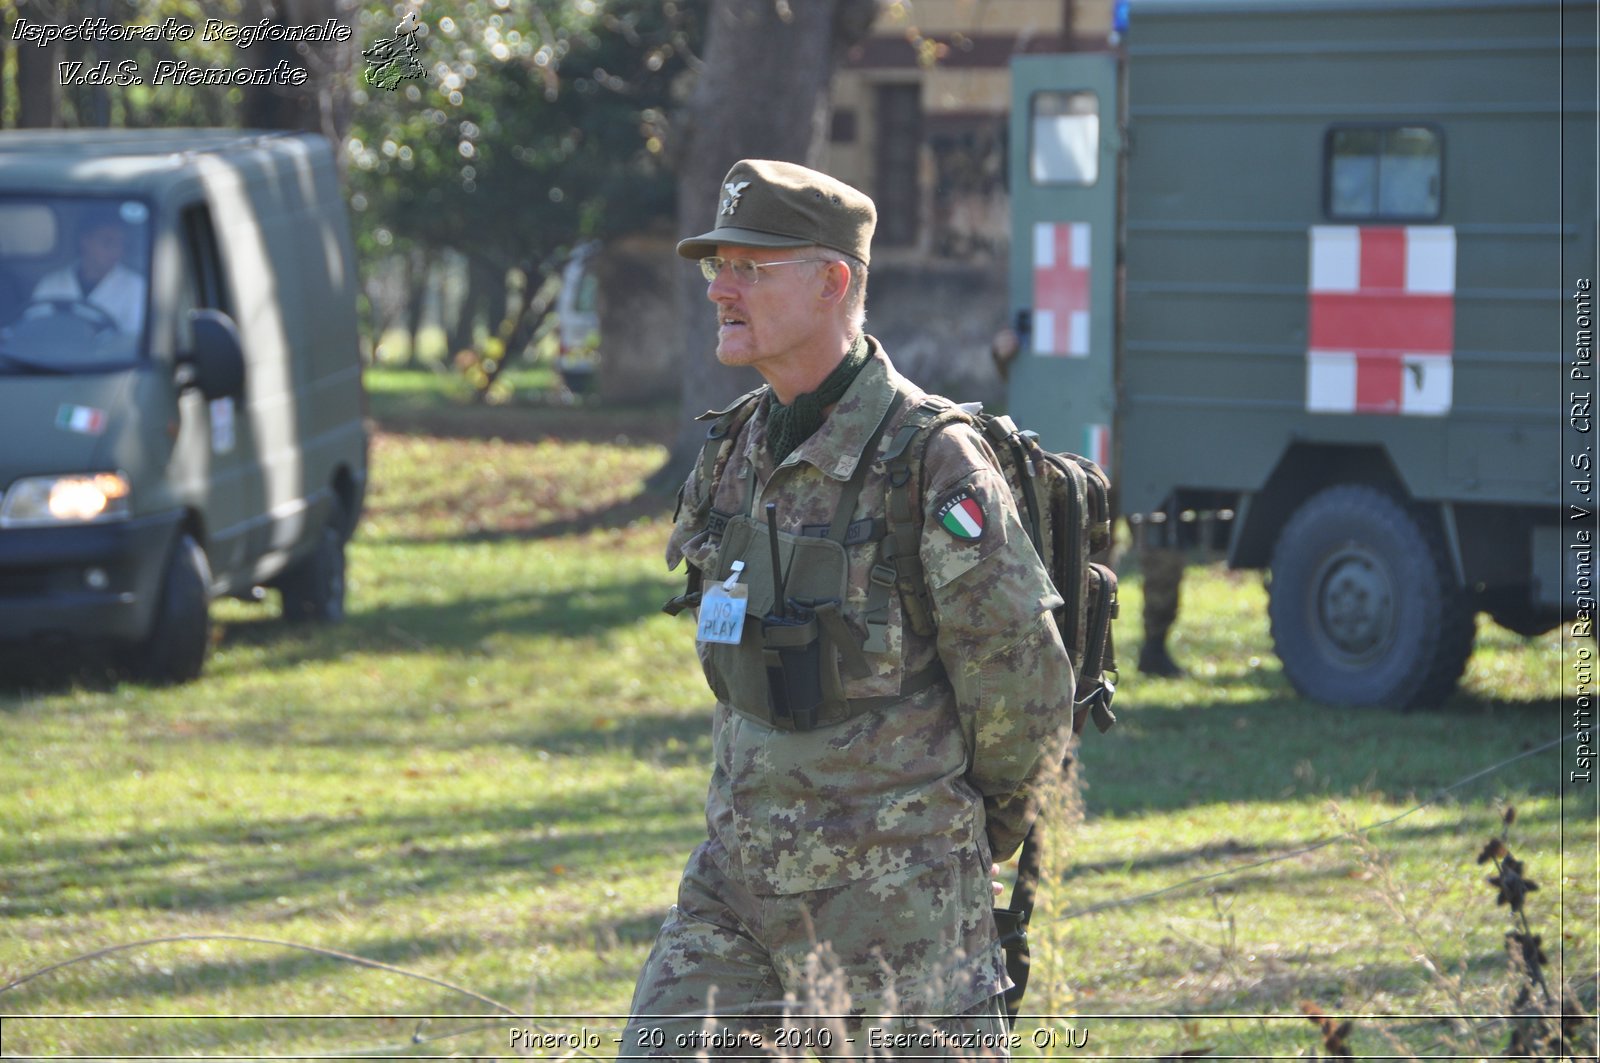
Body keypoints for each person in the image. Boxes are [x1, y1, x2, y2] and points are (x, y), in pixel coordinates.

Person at [623, 160, 1077, 1058]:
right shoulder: (736, 448)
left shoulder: (932, 463)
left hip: (900, 919)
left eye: (751, 266)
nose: (720, 287)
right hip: (738, 896)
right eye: (717, 265)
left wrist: (937, 845)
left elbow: (1025, 697)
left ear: (833, 281)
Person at [988, 327, 1187, 678]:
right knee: (1085, 568)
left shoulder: (1161, 312)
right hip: (1087, 453)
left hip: (1148, 452)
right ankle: (1087, 658)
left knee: (1163, 557)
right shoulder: (1078, 309)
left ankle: (1155, 646)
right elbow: (1040, 380)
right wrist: (1004, 356)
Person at [29, 207, 146, 336]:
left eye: (121, 244)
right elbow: (34, 331)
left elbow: (134, 339)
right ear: (85, 241)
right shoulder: (52, 283)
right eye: (107, 242)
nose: (116, 251)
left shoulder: (136, 286)